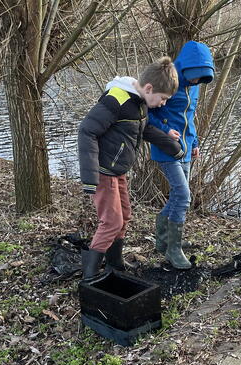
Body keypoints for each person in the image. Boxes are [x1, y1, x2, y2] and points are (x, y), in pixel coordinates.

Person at [77, 57, 184, 282]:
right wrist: (89, 177)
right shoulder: (116, 100)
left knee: (124, 216)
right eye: (163, 99)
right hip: (103, 171)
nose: (163, 104)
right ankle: (90, 275)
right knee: (112, 221)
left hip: (119, 170)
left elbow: (143, 130)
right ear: (149, 88)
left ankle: (114, 264)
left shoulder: (140, 101)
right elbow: (87, 131)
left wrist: (171, 145)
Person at [148, 41, 215, 270]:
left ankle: (164, 240)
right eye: (195, 76)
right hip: (166, 148)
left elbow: (190, 117)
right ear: (185, 68)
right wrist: (165, 130)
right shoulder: (168, 80)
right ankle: (173, 250)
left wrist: (195, 142)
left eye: (201, 78)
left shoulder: (194, 87)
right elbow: (147, 113)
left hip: (186, 148)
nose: (197, 81)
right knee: (183, 195)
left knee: (178, 196)